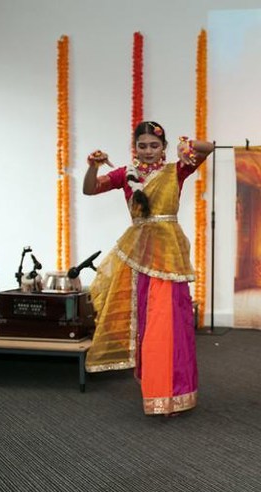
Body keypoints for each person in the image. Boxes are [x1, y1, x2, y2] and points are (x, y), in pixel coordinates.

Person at [82, 120, 214, 416]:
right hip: (140, 254)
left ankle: (175, 391)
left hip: (169, 256)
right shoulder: (126, 174)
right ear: (135, 148)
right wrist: (92, 166)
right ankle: (156, 390)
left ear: (163, 148)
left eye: (154, 146)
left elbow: (209, 148)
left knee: (170, 323)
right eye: (142, 146)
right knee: (149, 322)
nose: (148, 151)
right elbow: (89, 189)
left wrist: (187, 145)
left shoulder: (176, 169)